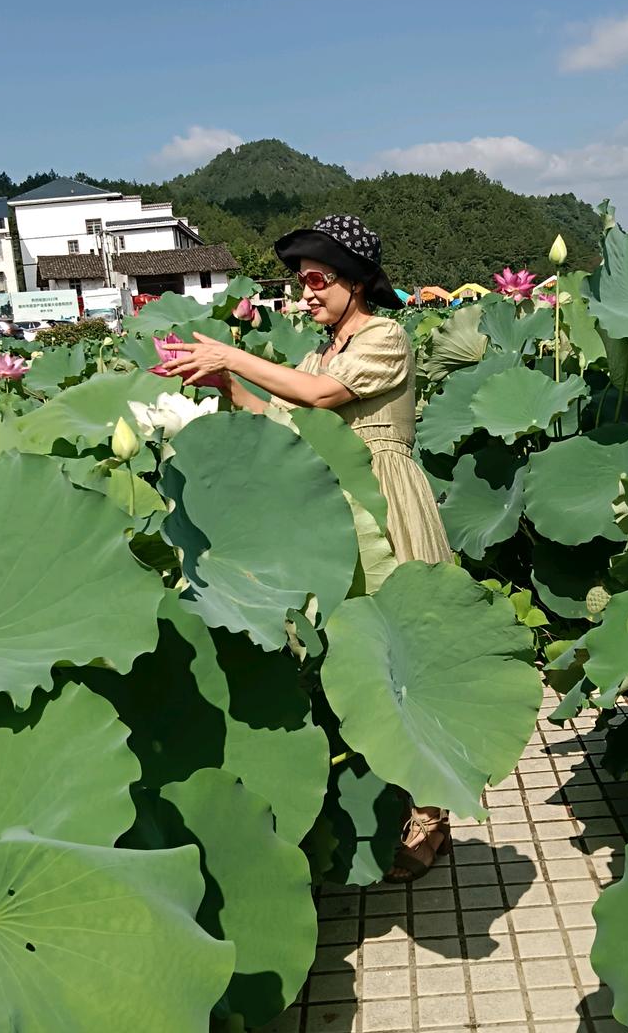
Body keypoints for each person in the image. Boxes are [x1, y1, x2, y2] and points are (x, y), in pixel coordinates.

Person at [165, 214, 453, 881]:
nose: (306, 293)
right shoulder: (318, 353)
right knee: (350, 660)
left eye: (318, 280)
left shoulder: (384, 338)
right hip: (326, 512)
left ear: (357, 281)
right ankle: (385, 802)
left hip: (384, 503)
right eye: (302, 282)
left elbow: (322, 397)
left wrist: (233, 354)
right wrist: (228, 388)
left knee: (404, 658)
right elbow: (287, 421)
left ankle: (432, 816)